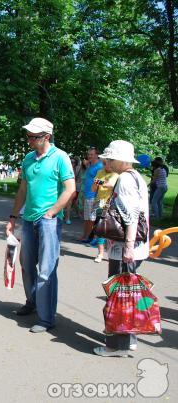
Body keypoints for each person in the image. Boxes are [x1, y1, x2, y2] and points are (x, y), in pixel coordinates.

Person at [5, 117, 75, 333]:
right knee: (27, 265)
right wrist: (13, 217)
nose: (28, 140)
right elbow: (23, 190)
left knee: (46, 270)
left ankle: (46, 318)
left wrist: (52, 212)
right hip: (28, 220)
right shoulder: (28, 159)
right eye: (27, 135)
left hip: (49, 222)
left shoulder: (60, 157)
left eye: (33, 136)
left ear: (46, 137)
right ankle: (32, 302)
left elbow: (70, 189)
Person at [93, 140, 149, 357]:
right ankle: (129, 339)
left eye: (110, 158)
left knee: (118, 296)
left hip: (125, 248)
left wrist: (127, 246)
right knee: (128, 294)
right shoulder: (137, 178)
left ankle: (116, 345)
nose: (107, 161)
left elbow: (132, 215)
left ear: (121, 160)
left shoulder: (125, 179)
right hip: (136, 247)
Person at [91, 157, 119, 263]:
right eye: (107, 163)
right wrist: (96, 183)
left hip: (111, 204)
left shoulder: (115, 174)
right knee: (99, 228)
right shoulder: (100, 172)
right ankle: (100, 253)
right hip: (99, 203)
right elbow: (93, 189)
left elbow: (110, 184)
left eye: (111, 164)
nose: (109, 166)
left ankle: (112, 253)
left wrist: (98, 181)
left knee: (111, 229)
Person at [79, 147, 103, 243]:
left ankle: (89, 237)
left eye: (91, 154)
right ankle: (85, 235)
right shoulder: (90, 165)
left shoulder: (100, 166)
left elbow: (102, 182)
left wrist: (96, 183)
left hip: (93, 195)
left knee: (91, 219)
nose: (89, 156)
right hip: (86, 194)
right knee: (86, 218)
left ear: (97, 155)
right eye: (88, 154)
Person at [63, 157, 82, 225]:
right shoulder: (65, 168)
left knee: (70, 203)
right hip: (64, 187)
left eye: (73, 162)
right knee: (66, 202)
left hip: (72, 187)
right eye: (71, 162)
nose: (72, 163)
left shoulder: (77, 169)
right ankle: (63, 216)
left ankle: (67, 218)